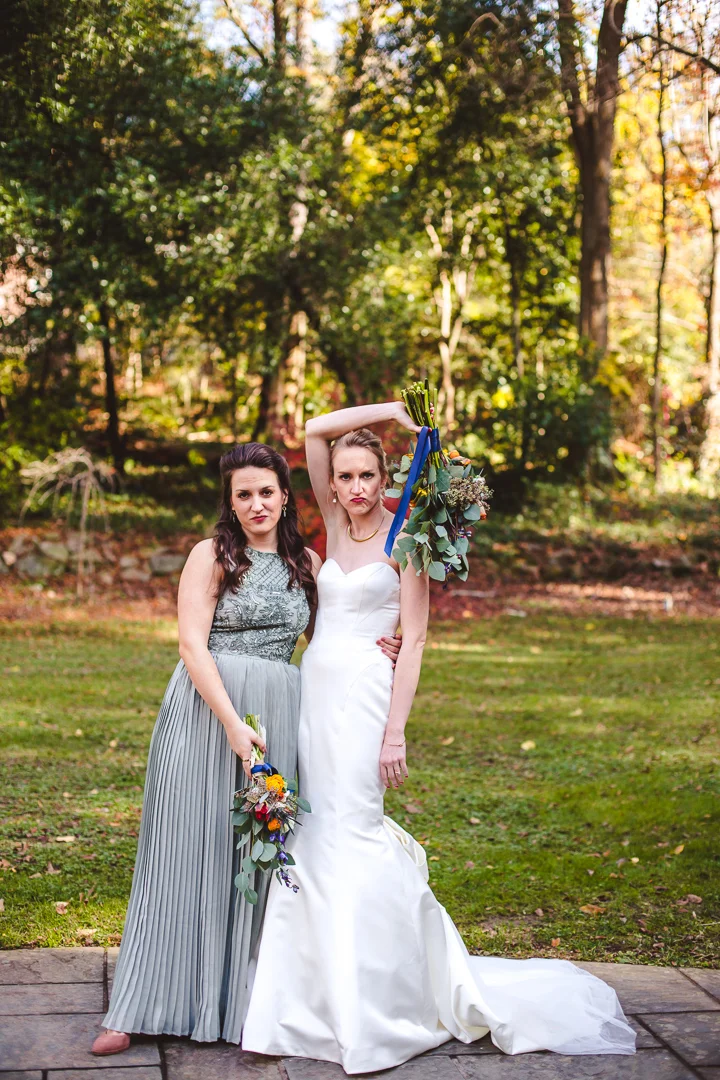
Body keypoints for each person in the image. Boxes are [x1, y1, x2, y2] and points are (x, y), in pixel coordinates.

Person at [241, 403, 637, 1074]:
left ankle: (381, 1000)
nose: (357, 487)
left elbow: (417, 638)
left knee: (355, 825)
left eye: (368, 475)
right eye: (346, 476)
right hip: (313, 693)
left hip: (367, 697)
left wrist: (395, 732)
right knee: (309, 827)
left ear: (384, 479)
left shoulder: (407, 537)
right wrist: (393, 413)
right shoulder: (331, 526)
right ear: (332, 484)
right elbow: (312, 430)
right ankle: (307, 1000)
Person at [92, 441, 400, 1056]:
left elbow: (330, 634)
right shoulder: (210, 555)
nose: (257, 504)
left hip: (281, 715)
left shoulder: (307, 562)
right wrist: (233, 725)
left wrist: (379, 642)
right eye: (244, 494)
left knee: (257, 860)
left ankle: (244, 1006)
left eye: (266, 492)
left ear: (285, 497)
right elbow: (191, 645)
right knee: (183, 851)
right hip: (209, 714)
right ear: (230, 503)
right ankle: (136, 1005)